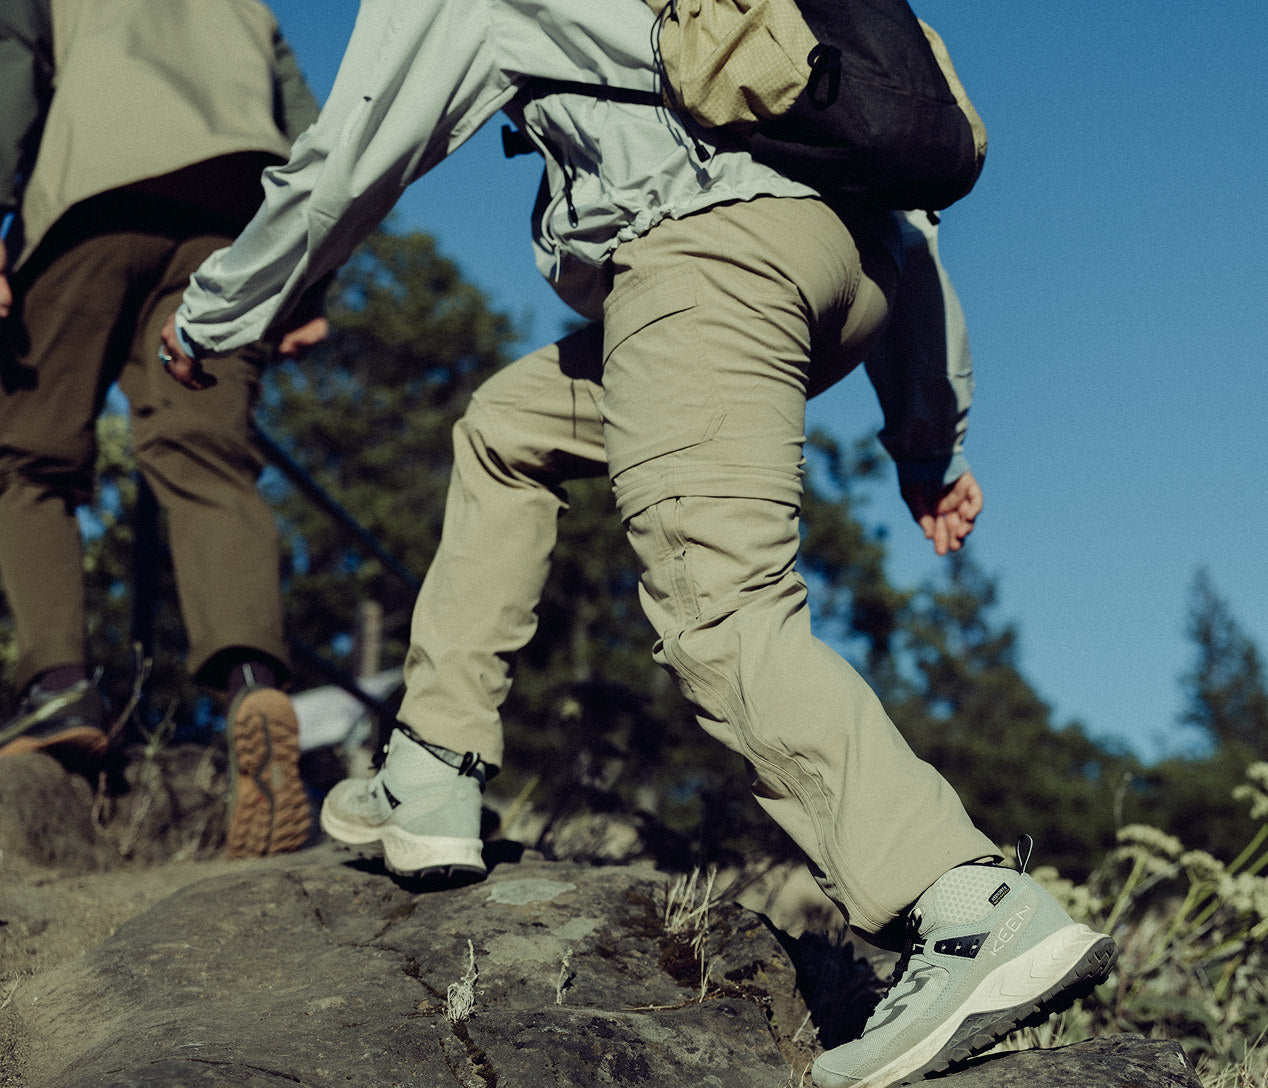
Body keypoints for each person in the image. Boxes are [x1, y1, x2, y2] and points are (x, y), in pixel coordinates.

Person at [159, 2, 1116, 1083]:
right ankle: (430, 766)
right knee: (506, 430)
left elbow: (347, 161)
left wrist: (217, 312)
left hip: (705, 260)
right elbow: (906, 205)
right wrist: (928, 438)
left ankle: (968, 903)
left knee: (721, 611)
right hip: (844, 273)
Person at [0, 0, 325, 859]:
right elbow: (308, 120)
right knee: (207, 456)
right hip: (235, 218)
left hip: (90, 200)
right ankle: (252, 682)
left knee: (27, 460)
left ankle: (59, 686)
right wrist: (309, 275)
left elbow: (13, 70)